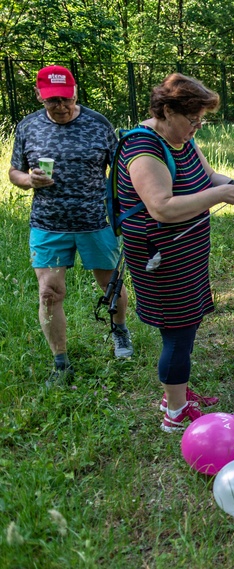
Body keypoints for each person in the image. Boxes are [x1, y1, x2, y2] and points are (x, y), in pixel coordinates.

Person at [116, 73, 234, 432]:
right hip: (159, 255)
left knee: (187, 322)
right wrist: (220, 196)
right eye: (191, 120)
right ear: (165, 111)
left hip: (185, 252)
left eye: (200, 120)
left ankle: (175, 392)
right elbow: (161, 207)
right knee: (177, 331)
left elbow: (208, 176)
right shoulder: (143, 149)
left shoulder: (182, 139)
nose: (197, 127)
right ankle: (175, 413)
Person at [9, 65, 133, 385]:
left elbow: (121, 171)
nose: (61, 106)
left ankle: (120, 331)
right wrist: (28, 179)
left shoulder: (98, 124)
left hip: (95, 220)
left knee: (111, 285)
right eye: (53, 101)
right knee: (49, 293)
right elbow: (14, 173)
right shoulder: (28, 128)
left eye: (66, 98)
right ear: (40, 96)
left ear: (75, 90)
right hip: (49, 223)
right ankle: (60, 362)